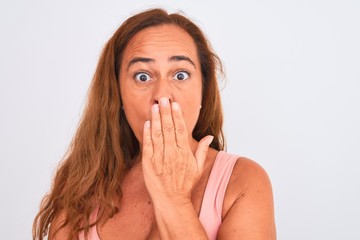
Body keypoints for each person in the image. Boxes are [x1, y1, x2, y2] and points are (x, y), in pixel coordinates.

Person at [33, 8, 276, 240]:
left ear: (204, 91)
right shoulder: (82, 188)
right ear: (118, 95)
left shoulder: (243, 181)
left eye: (180, 75)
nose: (162, 95)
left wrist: (174, 199)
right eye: (143, 76)